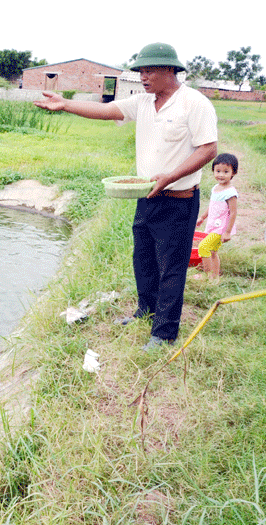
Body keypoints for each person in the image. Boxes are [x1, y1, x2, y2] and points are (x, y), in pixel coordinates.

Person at [34, 42, 218, 351]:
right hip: (146, 195)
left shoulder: (194, 103)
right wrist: (65, 104)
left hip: (179, 199)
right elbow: (106, 110)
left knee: (171, 266)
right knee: (143, 257)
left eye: (150, 71)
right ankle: (145, 312)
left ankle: (164, 333)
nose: (144, 78)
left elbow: (209, 149)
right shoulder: (144, 102)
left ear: (170, 71)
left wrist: (171, 176)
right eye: (141, 72)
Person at [194, 153, 239, 280]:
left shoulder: (231, 193)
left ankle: (207, 276)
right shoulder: (215, 188)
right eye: (218, 171)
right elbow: (212, 206)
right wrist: (202, 217)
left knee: (203, 247)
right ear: (213, 170)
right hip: (213, 226)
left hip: (221, 229)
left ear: (233, 173)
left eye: (226, 171)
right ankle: (215, 276)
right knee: (213, 251)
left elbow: (233, 213)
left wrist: (228, 232)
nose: (221, 175)